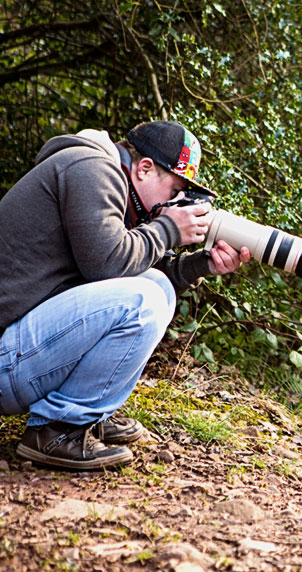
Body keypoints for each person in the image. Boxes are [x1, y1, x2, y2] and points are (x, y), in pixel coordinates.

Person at [0, 120, 251, 470]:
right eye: (175, 190)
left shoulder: (112, 182)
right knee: (141, 302)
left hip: (18, 349)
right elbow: (107, 265)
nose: (176, 203)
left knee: (157, 289)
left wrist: (202, 265)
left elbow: (134, 271)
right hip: (4, 359)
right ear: (144, 169)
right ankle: (58, 431)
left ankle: (91, 412)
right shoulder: (91, 170)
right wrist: (167, 228)